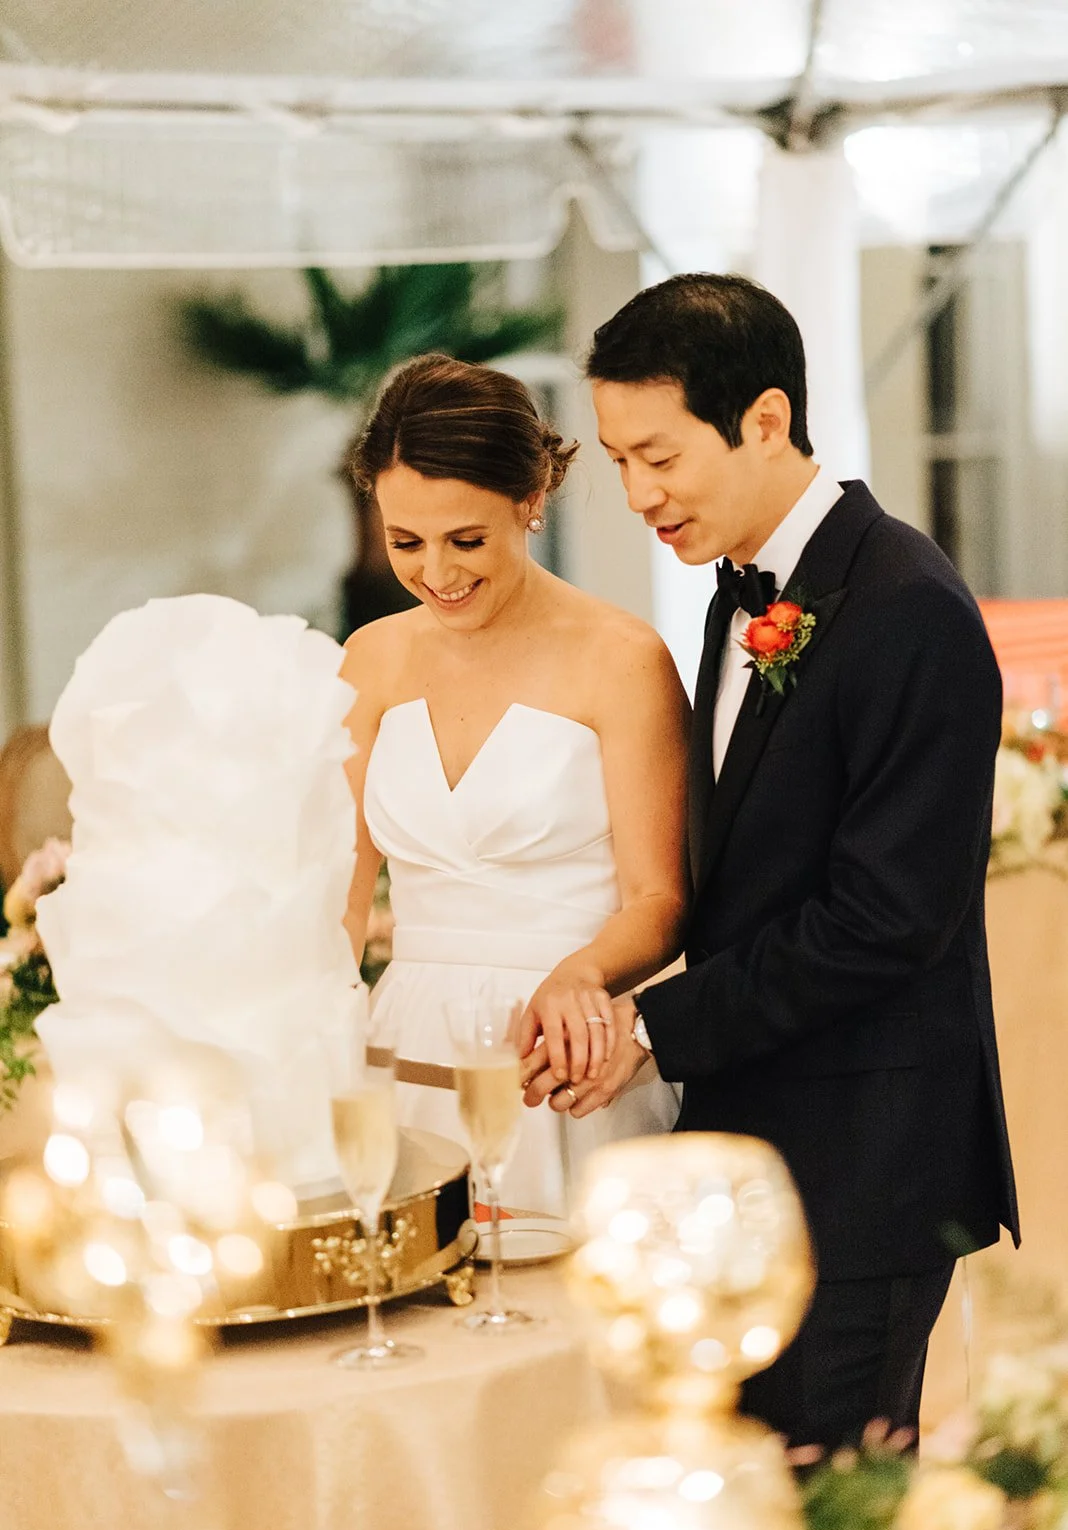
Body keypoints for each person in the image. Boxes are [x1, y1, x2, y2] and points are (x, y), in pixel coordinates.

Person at [523, 273, 1019, 1448]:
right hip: (759, 1147)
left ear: (764, 419)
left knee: (829, 1512)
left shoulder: (909, 605)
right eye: (618, 460)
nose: (639, 493)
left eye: (660, 456)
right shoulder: (738, 595)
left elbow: (888, 918)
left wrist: (652, 1028)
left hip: (868, 1167)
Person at [340, 353, 689, 1217]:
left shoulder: (623, 658)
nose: (438, 573)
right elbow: (337, 900)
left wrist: (581, 976)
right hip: (402, 1049)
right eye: (405, 542)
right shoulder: (369, 659)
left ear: (531, 502)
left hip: (563, 1051)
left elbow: (659, 898)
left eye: (467, 540)